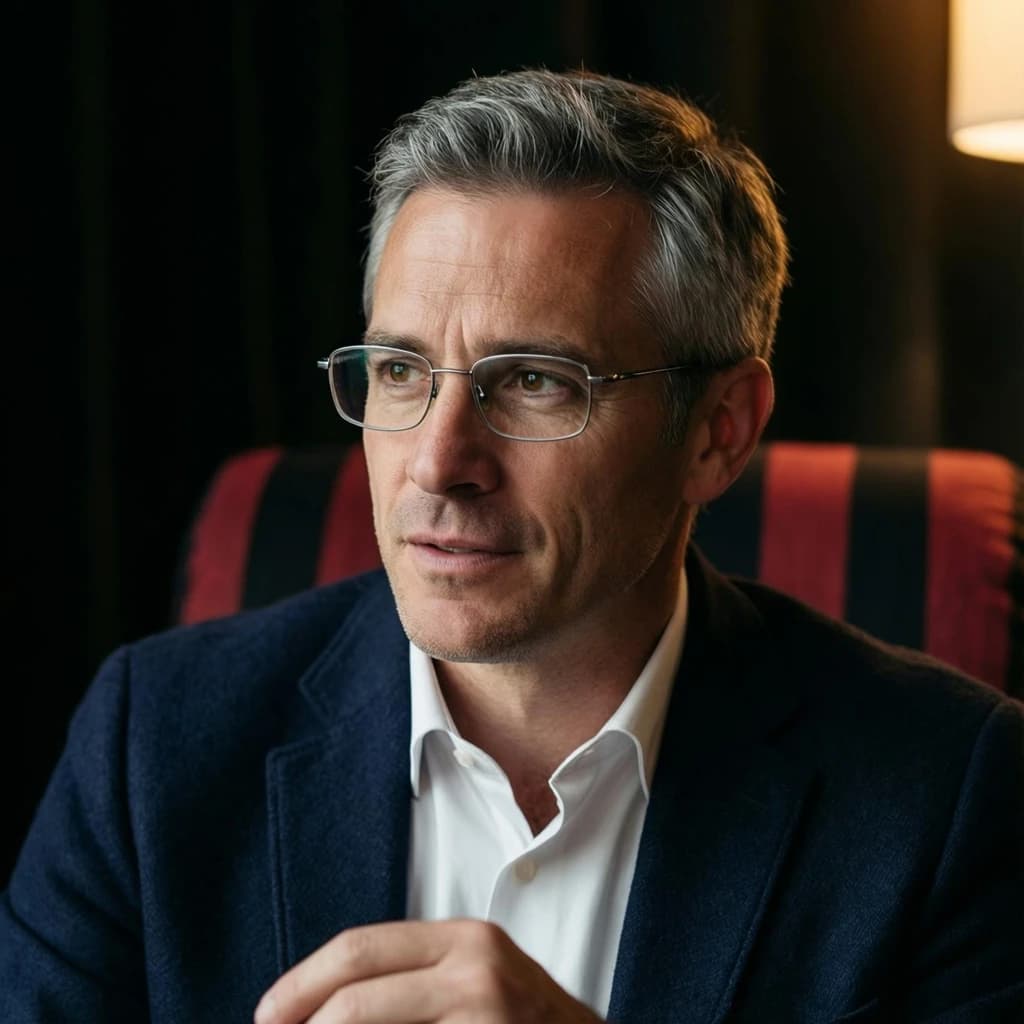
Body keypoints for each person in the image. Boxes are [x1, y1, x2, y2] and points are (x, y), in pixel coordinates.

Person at [2, 69, 1022, 1024]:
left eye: (535, 381)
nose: (439, 463)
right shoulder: (154, 745)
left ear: (718, 430)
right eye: (400, 371)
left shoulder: (946, 793)